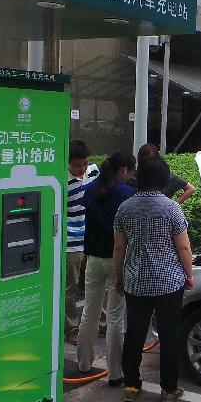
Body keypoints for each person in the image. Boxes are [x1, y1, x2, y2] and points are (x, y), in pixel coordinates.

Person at [114, 156, 194, 402]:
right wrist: (189, 274)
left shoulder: (125, 208)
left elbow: (119, 249)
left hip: (136, 282)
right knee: (169, 334)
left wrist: (119, 278)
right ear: (163, 180)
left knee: (134, 333)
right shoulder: (172, 208)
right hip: (169, 282)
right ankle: (169, 389)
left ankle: (130, 385)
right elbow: (183, 247)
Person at [77, 150, 136, 387]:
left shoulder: (91, 188)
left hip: (92, 258)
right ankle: (115, 374)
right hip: (116, 260)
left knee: (89, 311)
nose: (131, 175)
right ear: (123, 170)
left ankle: (83, 364)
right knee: (115, 317)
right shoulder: (126, 193)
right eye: (130, 171)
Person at [66, 140, 99, 344]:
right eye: (77, 165)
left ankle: (99, 324)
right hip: (71, 242)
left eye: (85, 164)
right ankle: (71, 328)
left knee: (96, 284)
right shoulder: (60, 180)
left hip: (92, 237)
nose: (82, 169)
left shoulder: (94, 171)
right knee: (71, 287)